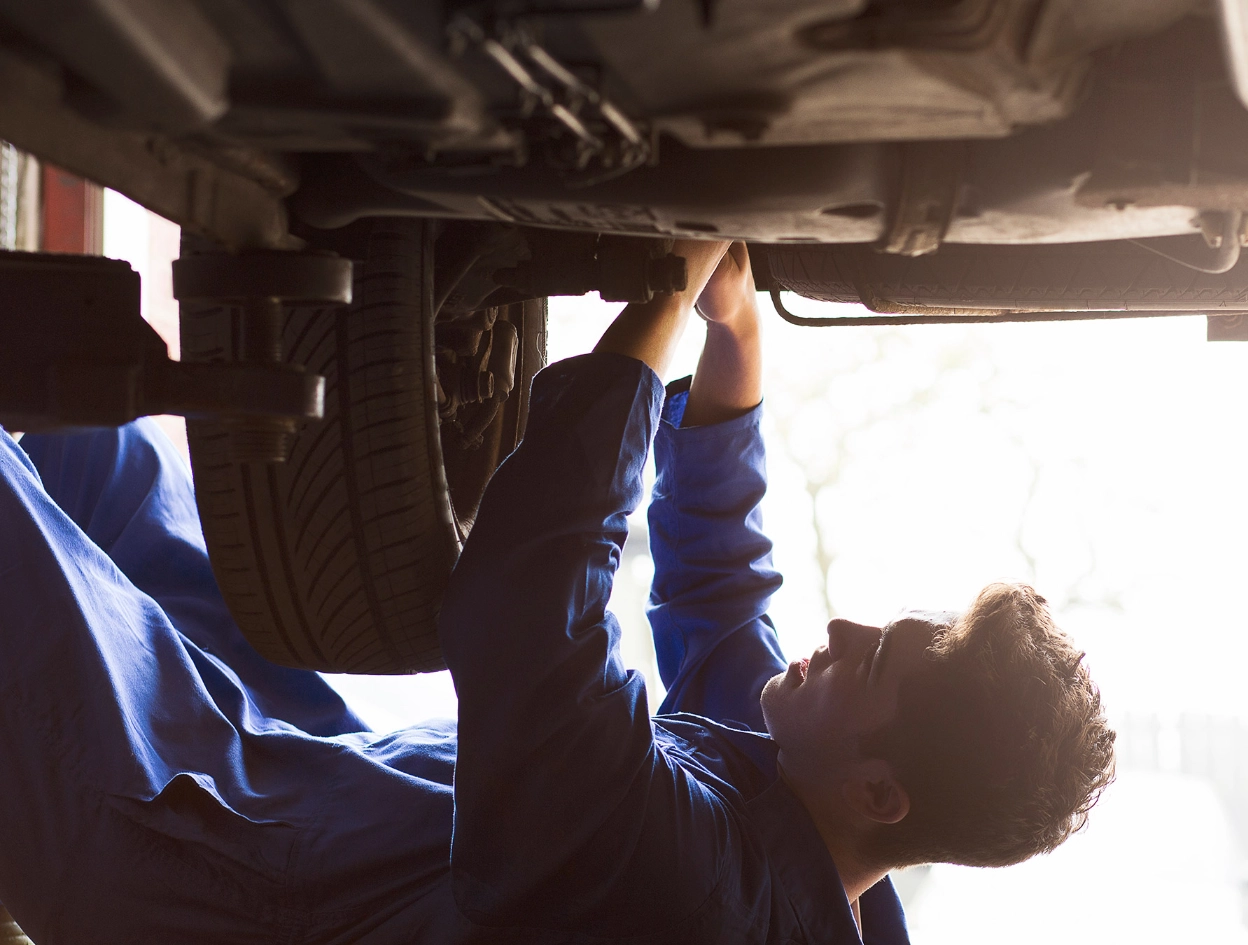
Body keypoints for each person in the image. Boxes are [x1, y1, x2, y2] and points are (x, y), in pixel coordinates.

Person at [0, 240, 1116, 943]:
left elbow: (531, 614)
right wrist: (735, 344)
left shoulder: (696, 905)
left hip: (187, 862)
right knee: (100, 459)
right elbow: (725, 605)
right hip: (298, 778)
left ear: (882, 794)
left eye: (877, 660)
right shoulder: (817, 842)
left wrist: (654, 317)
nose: (845, 626)